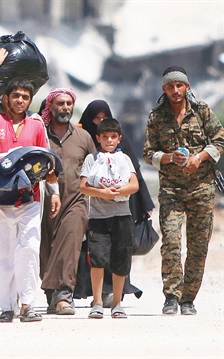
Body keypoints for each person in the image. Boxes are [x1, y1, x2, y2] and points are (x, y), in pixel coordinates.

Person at [0, 80, 60, 323]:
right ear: (6, 98)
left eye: (25, 97)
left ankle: (27, 305)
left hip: (29, 199)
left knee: (28, 250)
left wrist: (54, 190)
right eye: (15, 96)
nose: (20, 101)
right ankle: (6, 306)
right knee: (4, 255)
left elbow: (47, 158)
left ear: (30, 100)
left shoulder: (36, 124)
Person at [143, 66, 224, 315]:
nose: (175, 90)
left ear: (186, 87)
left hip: (202, 189)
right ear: (163, 89)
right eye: (170, 86)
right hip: (171, 190)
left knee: (199, 245)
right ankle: (171, 295)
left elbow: (220, 140)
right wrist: (168, 157)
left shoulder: (202, 111)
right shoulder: (156, 117)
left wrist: (199, 157)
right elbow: (148, 153)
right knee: (171, 242)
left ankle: (188, 299)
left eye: (179, 85)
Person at [76, 99, 153, 306]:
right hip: (94, 211)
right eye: (96, 119)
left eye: (104, 118)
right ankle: (97, 298)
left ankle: (117, 298)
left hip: (122, 208)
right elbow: (81, 181)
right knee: (96, 255)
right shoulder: (83, 143)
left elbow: (135, 177)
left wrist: (144, 204)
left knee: (120, 253)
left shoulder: (122, 150)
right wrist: (100, 193)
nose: (100, 122)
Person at [39, 87, 96, 315]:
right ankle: (51, 296)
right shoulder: (39, 134)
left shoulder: (83, 137)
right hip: (43, 201)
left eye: (69, 104)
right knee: (46, 248)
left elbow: (95, 168)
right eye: (60, 104)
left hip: (76, 201)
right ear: (50, 106)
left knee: (70, 241)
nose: (65, 108)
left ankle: (64, 295)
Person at [79, 118, 139, 319]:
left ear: (119, 138)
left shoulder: (125, 159)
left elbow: (134, 185)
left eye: (113, 137)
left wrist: (118, 191)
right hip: (98, 216)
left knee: (121, 258)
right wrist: (102, 193)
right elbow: (83, 186)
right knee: (97, 259)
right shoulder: (91, 159)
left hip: (121, 215)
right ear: (98, 138)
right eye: (105, 137)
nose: (109, 141)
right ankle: (97, 302)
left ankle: (117, 303)